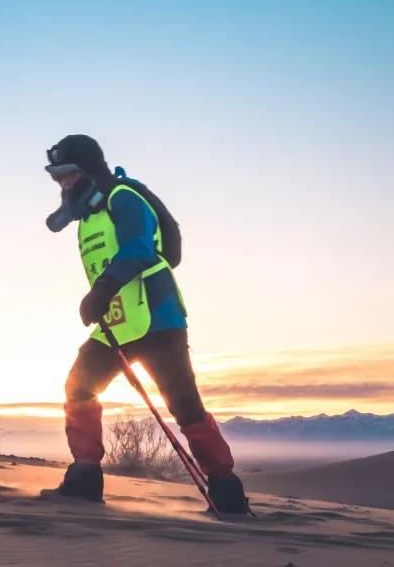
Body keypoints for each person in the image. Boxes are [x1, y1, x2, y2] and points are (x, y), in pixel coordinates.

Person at [42, 134, 249, 514]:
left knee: (185, 406)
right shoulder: (88, 217)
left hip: (158, 318)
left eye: (67, 173)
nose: (62, 183)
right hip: (118, 323)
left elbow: (139, 246)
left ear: (87, 169)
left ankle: (227, 492)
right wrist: (104, 298)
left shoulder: (123, 197)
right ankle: (84, 480)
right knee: (79, 387)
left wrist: (101, 290)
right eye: (56, 176)